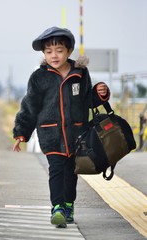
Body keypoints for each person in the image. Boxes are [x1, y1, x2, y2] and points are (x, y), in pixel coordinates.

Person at [12, 26, 110, 228]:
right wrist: (22, 132)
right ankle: (57, 207)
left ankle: (68, 204)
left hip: (77, 133)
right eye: (48, 51)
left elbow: (87, 100)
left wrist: (100, 94)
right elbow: (30, 105)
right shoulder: (39, 77)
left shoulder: (80, 73)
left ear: (69, 51)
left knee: (71, 171)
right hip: (51, 133)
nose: (54, 55)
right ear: (43, 54)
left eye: (59, 50)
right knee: (56, 169)